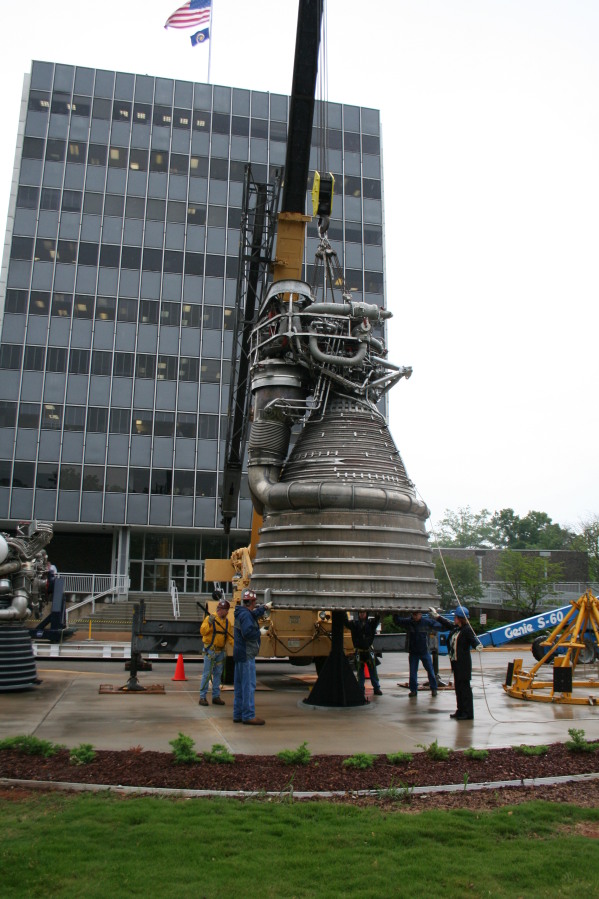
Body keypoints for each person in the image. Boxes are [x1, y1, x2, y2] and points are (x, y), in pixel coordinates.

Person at [430, 605, 483, 720]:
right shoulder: (456, 628)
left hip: (463, 664)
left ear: (460, 618)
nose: (454, 619)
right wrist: (437, 616)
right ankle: (460, 710)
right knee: (458, 689)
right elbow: (447, 623)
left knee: (465, 689)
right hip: (456, 663)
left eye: (456, 617)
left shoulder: (467, 630)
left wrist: (477, 645)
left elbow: (473, 640)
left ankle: (467, 713)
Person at [233, 588, 271, 725]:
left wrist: (264, 608)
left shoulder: (241, 613)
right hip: (246, 654)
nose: (255, 604)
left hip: (239, 654)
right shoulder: (245, 616)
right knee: (248, 686)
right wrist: (259, 632)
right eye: (255, 602)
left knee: (239, 686)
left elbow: (252, 615)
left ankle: (238, 714)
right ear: (252, 602)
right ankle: (249, 715)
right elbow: (248, 633)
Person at [393, 610, 441, 697]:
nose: (414, 617)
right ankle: (413, 690)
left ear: (420, 614)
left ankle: (434, 689)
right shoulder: (409, 622)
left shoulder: (426, 622)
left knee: (430, 670)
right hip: (414, 652)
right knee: (413, 673)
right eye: (413, 615)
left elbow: (437, 625)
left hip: (424, 651)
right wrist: (395, 613)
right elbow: (398, 621)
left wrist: (433, 627)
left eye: (416, 615)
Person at [198, 598, 234, 707]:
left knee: (218, 674)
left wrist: (236, 647)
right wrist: (209, 623)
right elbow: (202, 631)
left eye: (226, 610)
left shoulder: (226, 622)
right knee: (207, 674)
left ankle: (216, 696)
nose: (226, 612)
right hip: (210, 650)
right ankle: (202, 697)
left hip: (220, 652)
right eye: (224, 610)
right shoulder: (210, 618)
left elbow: (229, 637)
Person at [344, 610, 382, 697]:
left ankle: (376, 688)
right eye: (360, 613)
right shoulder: (355, 624)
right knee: (360, 672)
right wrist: (344, 612)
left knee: (373, 671)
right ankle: (360, 689)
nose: (362, 614)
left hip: (368, 651)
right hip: (359, 651)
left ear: (366, 614)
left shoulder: (371, 623)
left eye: (363, 613)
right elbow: (346, 623)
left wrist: (377, 611)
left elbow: (377, 619)